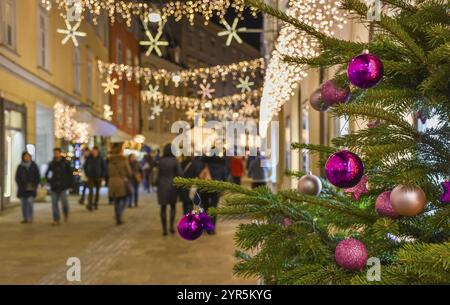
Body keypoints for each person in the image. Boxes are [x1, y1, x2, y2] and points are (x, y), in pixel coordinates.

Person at [199, 152, 228, 234]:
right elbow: (225, 179)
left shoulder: (204, 165)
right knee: (214, 209)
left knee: (205, 208)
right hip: (215, 190)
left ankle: (206, 227)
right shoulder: (221, 166)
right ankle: (212, 228)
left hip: (204, 189)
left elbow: (198, 175)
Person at [156, 143, 182, 236]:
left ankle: (164, 229)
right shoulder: (175, 161)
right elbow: (180, 173)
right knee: (173, 207)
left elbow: (157, 175)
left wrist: (156, 183)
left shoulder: (161, 161)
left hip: (162, 186)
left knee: (163, 207)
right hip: (172, 186)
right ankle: (171, 226)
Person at [45, 148, 74, 225]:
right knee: (54, 204)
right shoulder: (51, 164)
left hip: (63, 187)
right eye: (55, 153)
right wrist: (49, 181)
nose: (56, 154)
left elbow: (70, 175)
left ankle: (66, 214)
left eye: (57, 153)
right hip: (54, 187)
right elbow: (47, 174)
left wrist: (70, 185)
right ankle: (56, 219)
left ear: (60, 153)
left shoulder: (65, 163)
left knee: (64, 203)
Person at [107, 143, 132, 225]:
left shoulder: (109, 160)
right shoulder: (123, 160)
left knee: (116, 200)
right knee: (125, 200)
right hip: (121, 182)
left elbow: (107, 172)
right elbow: (129, 172)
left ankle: (117, 216)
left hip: (112, 182)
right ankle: (119, 215)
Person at [15, 152, 40, 224]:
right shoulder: (20, 166)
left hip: (31, 188)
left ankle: (30, 218)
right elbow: (17, 177)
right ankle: (25, 218)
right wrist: (20, 185)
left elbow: (37, 176)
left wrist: (35, 185)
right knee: (23, 204)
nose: (27, 157)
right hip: (22, 189)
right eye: (25, 156)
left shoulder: (34, 166)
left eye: (28, 156)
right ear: (23, 157)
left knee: (29, 203)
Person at [83, 146, 105, 211]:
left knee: (97, 192)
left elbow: (104, 168)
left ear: (97, 151)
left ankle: (96, 203)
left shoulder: (100, 158)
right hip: (90, 177)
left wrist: (102, 176)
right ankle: (90, 204)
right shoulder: (89, 158)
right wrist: (87, 174)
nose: (94, 152)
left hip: (99, 177)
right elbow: (85, 166)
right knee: (91, 191)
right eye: (93, 151)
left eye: (95, 151)